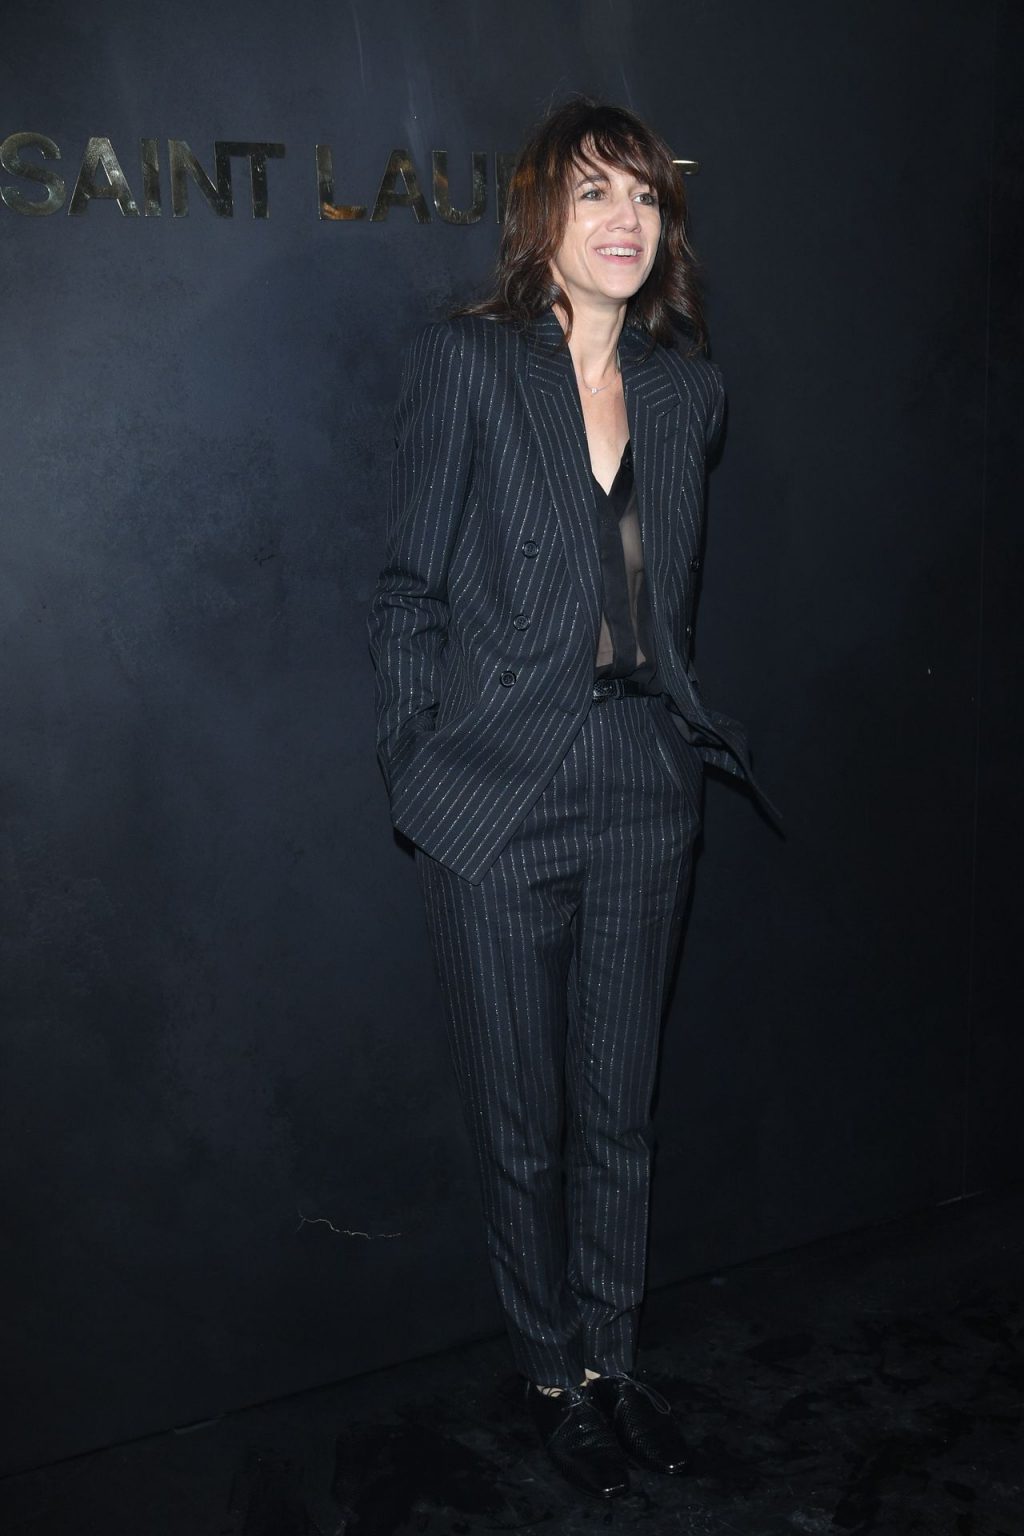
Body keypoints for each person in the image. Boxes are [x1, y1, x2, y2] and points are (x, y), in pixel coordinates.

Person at [367, 95, 779, 1501]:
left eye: (646, 197)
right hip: (496, 794)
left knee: (617, 1111)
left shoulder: (685, 393)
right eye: (595, 192)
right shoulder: (470, 364)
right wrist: (417, 767)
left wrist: (673, 737)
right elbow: (408, 591)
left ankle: (613, 1361)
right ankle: (548, 1375)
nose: (624, 220)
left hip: (645, 781)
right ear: (541, 213)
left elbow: (667, 603)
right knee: (522, 1122)